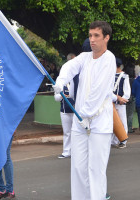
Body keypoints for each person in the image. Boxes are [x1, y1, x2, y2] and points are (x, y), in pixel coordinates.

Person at [53, 20, 116, 200]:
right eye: (90, 36)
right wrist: (60, 81)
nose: (92, 40)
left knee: (96, 169)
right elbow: (69, 67)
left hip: (99, 122)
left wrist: (85, 114)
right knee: (78, 168)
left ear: (106, 37)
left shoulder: (109, 59)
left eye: (96, 36)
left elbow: (98, 90)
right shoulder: (84, 57)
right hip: (80, 123)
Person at [112, 58, 131, 148]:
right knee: (112, 121)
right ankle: (114, 140)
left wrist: (122, 99)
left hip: (120, 103)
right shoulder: (110, 75)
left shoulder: (124, 76)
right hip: (111, 103)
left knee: (122, 121)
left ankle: (123, 140)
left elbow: (127, 91)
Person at [124, 65, 136, 133]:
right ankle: (129, 128)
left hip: (125, 97)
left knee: (124, 113)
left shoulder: (125, 78)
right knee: (130, 114)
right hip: (132, 96)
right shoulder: (134, 80)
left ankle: (124, 128)